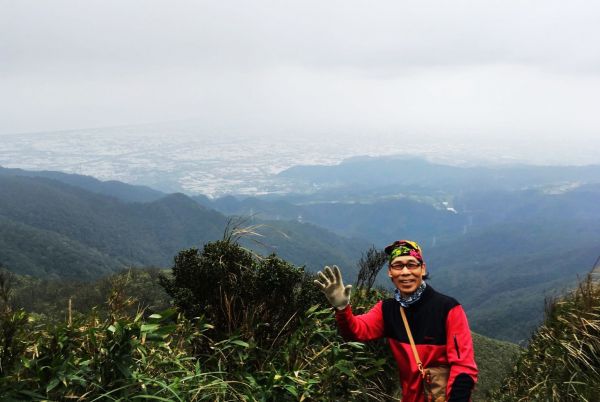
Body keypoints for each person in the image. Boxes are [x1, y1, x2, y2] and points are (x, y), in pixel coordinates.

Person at [314, 239, 478, 402]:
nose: (405, 272)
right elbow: (356, 332)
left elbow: (464, 367)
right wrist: (342, 308)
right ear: (390, 272)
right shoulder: (387, 310)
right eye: (398, 265)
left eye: (412, 264)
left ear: (422, 269)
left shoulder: (448, 309)